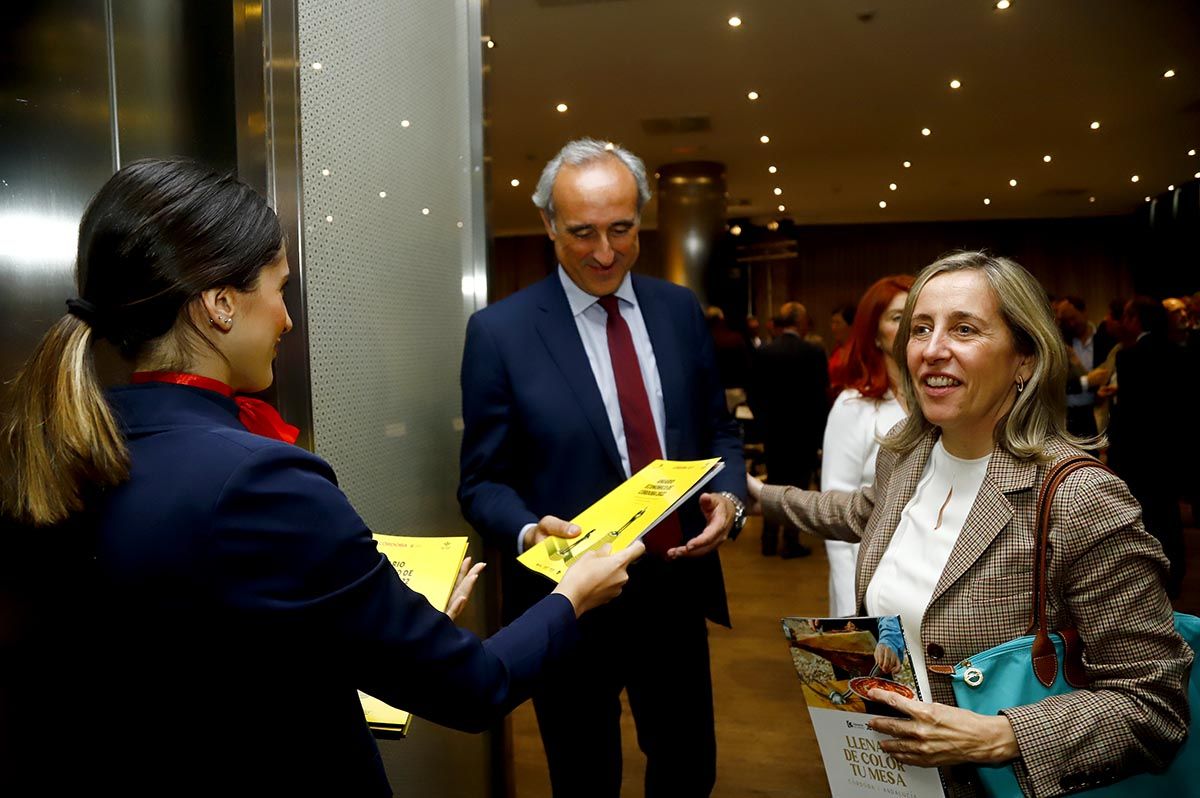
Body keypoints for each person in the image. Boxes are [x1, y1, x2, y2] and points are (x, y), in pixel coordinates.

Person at [0, 158, 642, 796]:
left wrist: (379, 624)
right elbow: (474, 688)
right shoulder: (262, 480)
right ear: (221, 305)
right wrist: (573, 593)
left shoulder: (60, 448)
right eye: (280, 290)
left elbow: (209, 647)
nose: (286, 319)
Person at [746, 251, 1190, 796]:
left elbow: (1155, 702)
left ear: (1024, 357)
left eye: (964, 329)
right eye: (921, 328)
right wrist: (753, 496)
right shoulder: (906, 460)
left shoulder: (1080, 498)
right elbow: (854, 513)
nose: (933, 350)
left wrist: (1006, 737)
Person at [458, 137, 746, 798]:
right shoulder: (500, 333)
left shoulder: (678, 311)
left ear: (642, 219)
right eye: (582, 233)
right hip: (571, 605)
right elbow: (480, 482)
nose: (605, 252)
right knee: (583, 777)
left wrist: (729, 500)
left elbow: (718, 431)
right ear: (548, 226)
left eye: (622, 230)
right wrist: (531, 532)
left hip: (674, 592)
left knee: (687, 768)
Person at [820, 274, 913, 616]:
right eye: (898, 318)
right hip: (869, 579)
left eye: (920, 316)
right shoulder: (854, 406)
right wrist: (852, 612)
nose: (911, 327)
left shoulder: (941, 401)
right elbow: (835, 512)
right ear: (874, 333)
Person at [748, 300, 828, 558]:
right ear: (801, 323)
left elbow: (753, 393)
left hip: (774, 431)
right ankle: (791, 542)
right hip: (803, 432)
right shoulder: (813, 352)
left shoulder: (765, 352)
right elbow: (820, 396)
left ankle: (768, 541)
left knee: (772, 483)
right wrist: (819, 433)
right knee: (798, 488)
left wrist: (763, 422)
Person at [827, 302, 856, 396]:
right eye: (832, 322)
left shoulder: (858, 349)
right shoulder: (836, 349)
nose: (833, 327)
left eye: (838, 323)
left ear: (851, 325)